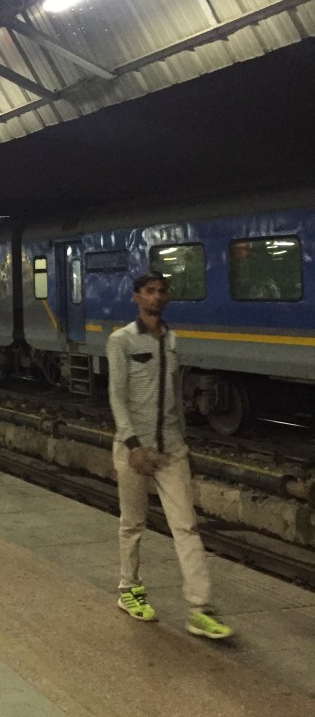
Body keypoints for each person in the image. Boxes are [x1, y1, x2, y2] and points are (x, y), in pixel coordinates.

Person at [107, 273, 232, 640]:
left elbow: (175, 396)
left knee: (187, 527)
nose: (156, 297)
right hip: (134, 449)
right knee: (133, 524)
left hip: (171, 449)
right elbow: (117, 397)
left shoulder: (174, 340)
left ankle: (199, 609)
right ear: (136, 297)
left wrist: (182, 442)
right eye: (149, 292)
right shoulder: (121, 340)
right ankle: (129, 589)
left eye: (162, 291)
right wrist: (133, 445)